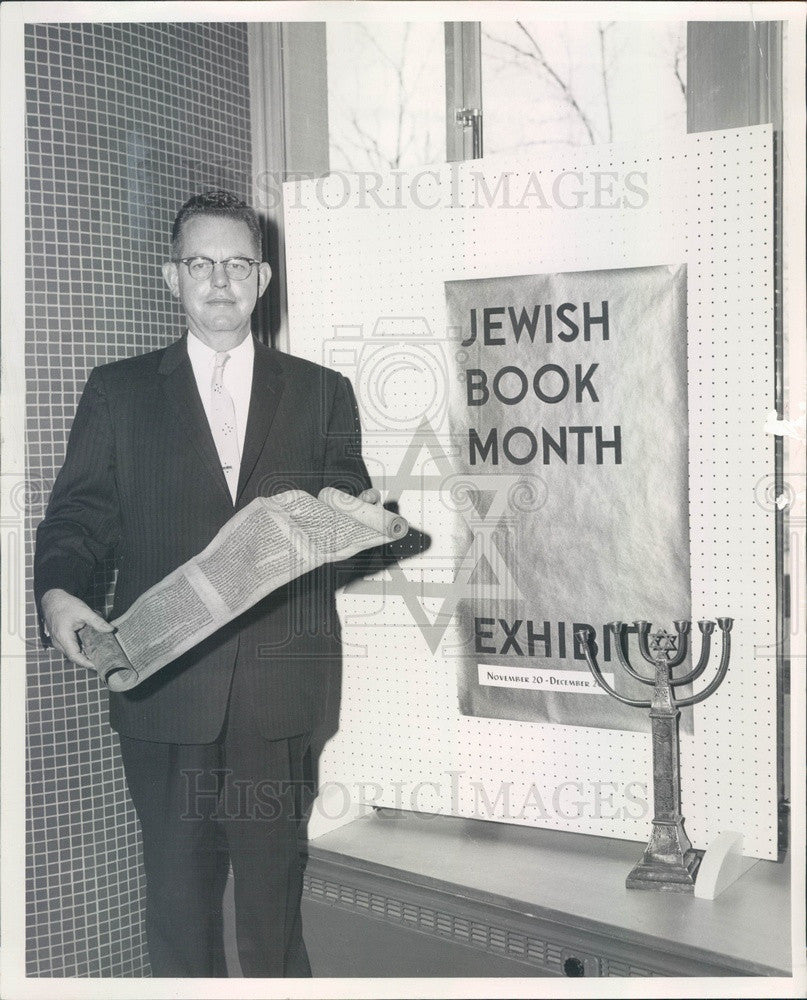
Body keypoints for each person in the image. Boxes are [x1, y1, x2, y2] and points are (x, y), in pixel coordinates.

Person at [34, 189, 375, 978]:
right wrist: (59, 596)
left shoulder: (323, 392)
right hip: (163, 691)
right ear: (171, 277)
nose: (219, 281)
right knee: (178, 918)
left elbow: (348, 525)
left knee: (271, 921)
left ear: (261, 279)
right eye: (199, 264)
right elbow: (76, 521)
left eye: (236, 265)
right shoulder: (116, 393)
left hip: (278, 699)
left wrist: (354, 527)